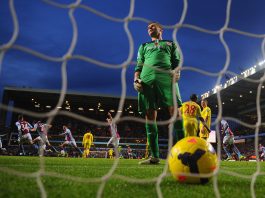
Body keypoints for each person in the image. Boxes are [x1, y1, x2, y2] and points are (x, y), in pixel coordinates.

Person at [134, 22, 184, 165]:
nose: (149, 28)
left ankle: (184, 151)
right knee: (150, 115)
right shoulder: (143, 46)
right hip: (147, 80)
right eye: (148, 27)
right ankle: (154, 156)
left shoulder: (170, 44)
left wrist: (177, 71)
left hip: (167, 78)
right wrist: (136, 79)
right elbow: (139, 65)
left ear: (161, 29)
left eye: (152, 26)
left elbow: (176, 61)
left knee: (176, 113)